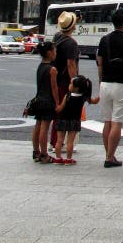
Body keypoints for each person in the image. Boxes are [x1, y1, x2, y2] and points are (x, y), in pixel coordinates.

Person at [96, 8, 123, 168]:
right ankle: (109, 157)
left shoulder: (104, 39)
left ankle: (110, 155)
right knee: (117, 122)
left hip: (105, 84)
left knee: (107, 121)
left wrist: (101, 82)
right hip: (121, 84)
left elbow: (100, 63)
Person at [53, 75, 99, 165]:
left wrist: (55, 108)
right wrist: (100, 96)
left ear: (76, 88)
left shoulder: (67, 96)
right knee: (70, 142)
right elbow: (94, 101)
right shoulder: (83, 97)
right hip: (74, 121)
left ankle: (58, 158)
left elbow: (60, 108)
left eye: (71, 83)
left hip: (62, 119)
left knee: (59, 140)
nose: (69, 85)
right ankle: (68, 159)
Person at [50, 11, 79, 149]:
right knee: (65, 112)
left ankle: (54, 140)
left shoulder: (57, 37)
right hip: (65, 82)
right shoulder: (71, 43)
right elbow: (71, 64)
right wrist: (74, 81)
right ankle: (58, 142)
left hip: (55, 79)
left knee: (57, 110)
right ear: (73, 26)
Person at [28, 40, 58, 164]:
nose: (55, 53)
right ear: (50, 52)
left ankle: (36, 151)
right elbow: (54, 88)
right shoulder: (52, 69)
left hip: (39, 99)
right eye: (54, 50)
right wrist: (57, 103)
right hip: (48, 100)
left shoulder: (40, 66)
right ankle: (45, 154)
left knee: (38, 125)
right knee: (45, 128)